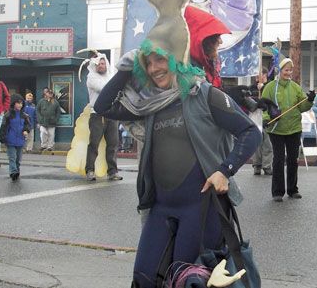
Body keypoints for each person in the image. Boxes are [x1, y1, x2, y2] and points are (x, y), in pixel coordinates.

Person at [93, 16, 260, 287]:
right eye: (147, 62)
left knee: (187, 280)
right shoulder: (150, 104)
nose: (154, 68)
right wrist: (125, 68)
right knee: (144, 277)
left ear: (176, 58)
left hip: (201, 208)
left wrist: (224, 170)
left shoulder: (205, 95)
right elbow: (102, 106)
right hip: (161, 207)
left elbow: (251, 132)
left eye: (160, 59)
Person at [262, 57, 314, 202]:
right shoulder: (270, 87)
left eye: (290, 70)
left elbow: (302, 107)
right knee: (278, 160)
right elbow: (264, 105)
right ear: (280, 71)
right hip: (276, 129)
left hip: (294, 128)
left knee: (293, 160)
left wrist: (309, 100)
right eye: (286, 70)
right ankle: (277, 192)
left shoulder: (296, 87)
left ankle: (292, 190)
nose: (288, 72)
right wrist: (266, 118)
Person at [83, 54, 122, 181]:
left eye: (103, 63)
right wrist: (117, 86)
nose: (101, 66)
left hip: (111, 113)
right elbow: (105, 89)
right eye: (99, 64)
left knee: (113, 144)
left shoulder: (111, 76)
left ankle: (112, 171)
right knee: (94, 143)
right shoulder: (91, 77)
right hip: (97, 114)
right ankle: (90, 170)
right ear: (94, 65)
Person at [185, 5, 230, 89]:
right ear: (205, 40)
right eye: (217, 37)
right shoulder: (189, 70)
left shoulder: (205, 66)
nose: (220, 42)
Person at [0, 94, 31, 181]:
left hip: (20, 140)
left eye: (21, 103)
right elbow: (3, 127)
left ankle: (17, 171)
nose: (20, 105)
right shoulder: (8, 115)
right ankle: (13, 172)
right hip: (10, 140)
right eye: (18, 103)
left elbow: (28, 125)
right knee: (12, 157)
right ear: (13, 104)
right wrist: (2, 137)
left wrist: (26, 130)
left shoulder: (24, 115)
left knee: (18, 158)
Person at [250, 67, 273, 175]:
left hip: (266, 118)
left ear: (264, 75)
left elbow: (272, 101)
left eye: (258, 75)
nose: (256, 77)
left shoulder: (270, 86)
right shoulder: (252, 88)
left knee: (267, 144)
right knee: (256, 144)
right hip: (255, 117)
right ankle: (257, 165)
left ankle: (267, 166)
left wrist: (263, 89)